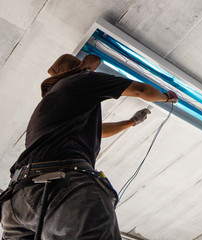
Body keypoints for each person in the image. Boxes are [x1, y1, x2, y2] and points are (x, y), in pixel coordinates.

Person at [0, 54, 178, 239]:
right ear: (81, 69)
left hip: (16, 202)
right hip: (59, 188)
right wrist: (165, 97)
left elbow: (98, 130)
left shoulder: (49, 106)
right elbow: (141, 90)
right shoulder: (83, 80)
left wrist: (131, 122)